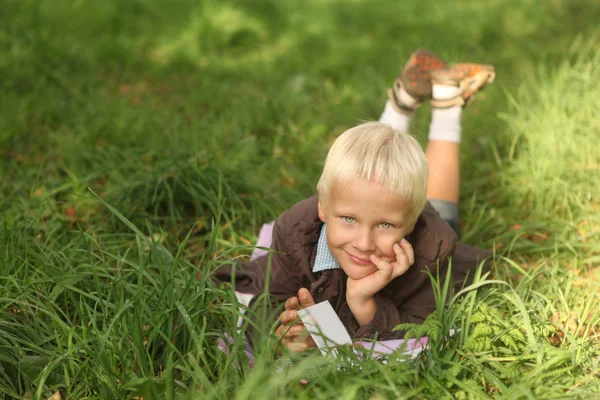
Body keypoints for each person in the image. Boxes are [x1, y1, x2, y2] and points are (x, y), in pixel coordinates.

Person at [215, 49, 495, 352]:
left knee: (441, 209)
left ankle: (445, 104)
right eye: (348, 219)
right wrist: (279, 333)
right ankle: (409, 101)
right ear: (323, 206)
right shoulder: (295, 231)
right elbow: (267, 299)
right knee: (370, 175)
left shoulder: (432, 248)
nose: (363, 242)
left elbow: (415, 338)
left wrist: (362, 302)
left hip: (421, 221)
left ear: (411, 222)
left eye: (385, 225)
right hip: (382, 202)